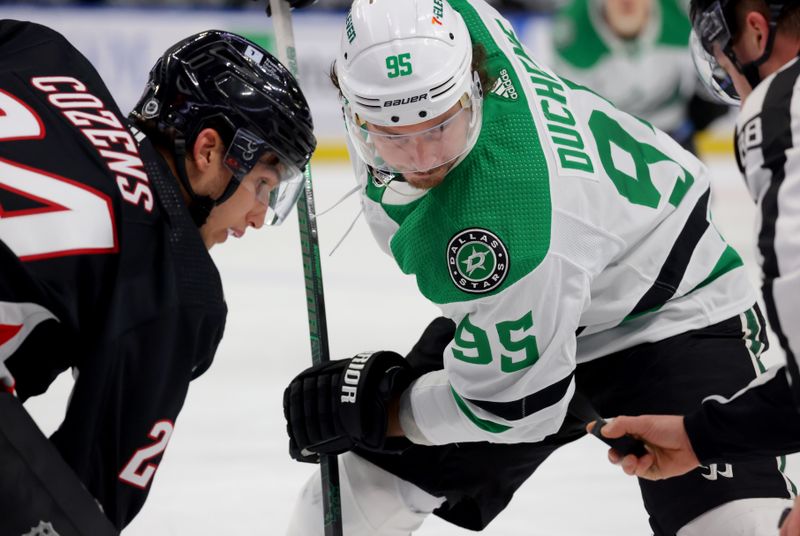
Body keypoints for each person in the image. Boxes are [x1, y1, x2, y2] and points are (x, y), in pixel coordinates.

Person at [281, 0, 795, 534]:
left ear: (473, 88)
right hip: (561, 277)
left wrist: (387, 407)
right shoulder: (460, 25)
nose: (420, 159)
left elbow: (518, 407)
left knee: (740, 528)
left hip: (675, 314)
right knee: (355, 492)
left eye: (437, 128)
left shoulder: (505, 222)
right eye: (391, 136)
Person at [0, 20, 315, 534]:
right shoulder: (177, 282)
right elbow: (89, 497)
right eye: (264, 183)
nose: (259, 216)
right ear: (209, 150)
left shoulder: (45, 53)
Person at [580, 0, 800, 530]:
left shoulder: (781, 109)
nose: (732, 82)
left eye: (725, 63)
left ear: (754, 33)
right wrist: (700, 438)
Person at [551, 0, 728, 153]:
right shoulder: (573, 33)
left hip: (673, 136)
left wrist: (711, 97)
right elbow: (568, 112)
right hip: (610, 143)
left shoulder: (683, 16)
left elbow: (715, 78)